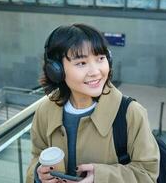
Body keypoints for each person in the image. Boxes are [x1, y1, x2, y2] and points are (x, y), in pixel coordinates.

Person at [26, 24, 159, 183]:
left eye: (100, 58)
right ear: (56, 70)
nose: (95, 71)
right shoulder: (45, 110)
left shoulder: (130, 114)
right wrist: (38, 174)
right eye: (81, 63)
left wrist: (102, 177)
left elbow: (148, 174)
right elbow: (36, 156)